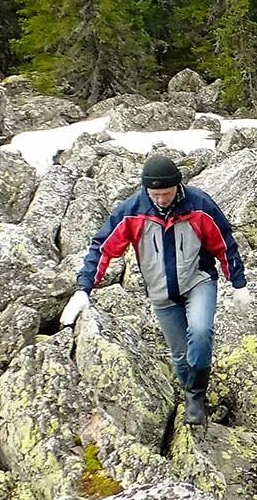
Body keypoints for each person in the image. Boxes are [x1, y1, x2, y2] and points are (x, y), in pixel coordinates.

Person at [62, 153, 247, 425]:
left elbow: (224, 243)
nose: (161, 199)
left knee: (200, 331)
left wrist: (238, 282)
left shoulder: (199, 206)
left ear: (178, 186)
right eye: (155, 193)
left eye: (167, 193)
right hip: (161, 292)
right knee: (180, 353)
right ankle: (191, 392)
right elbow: (102, 248)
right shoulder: (132, 212)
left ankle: (196, 393)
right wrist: (83, 288)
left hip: (198, 281)